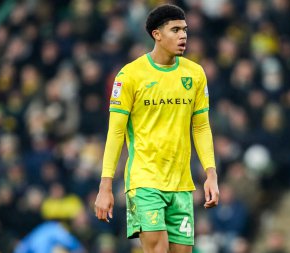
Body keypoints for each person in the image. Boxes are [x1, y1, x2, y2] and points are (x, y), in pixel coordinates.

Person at [94, 4, 219, 253]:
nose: (183, 35)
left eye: (185, 30)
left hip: (182, 184)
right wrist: (105, 186)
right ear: (157, 34)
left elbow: (202, 127)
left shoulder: (195, 74)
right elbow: (116, 132)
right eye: (175, 30)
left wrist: (211, 174)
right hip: (144, 181)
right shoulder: (130, 76)